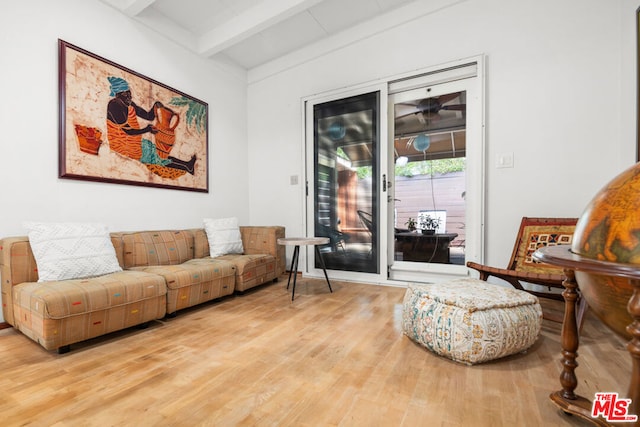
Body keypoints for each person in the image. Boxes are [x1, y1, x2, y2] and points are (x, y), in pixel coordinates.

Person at [105, 76, 196, 174]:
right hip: (123, 145)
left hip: (134, 142)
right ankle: (186, 167)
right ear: (117, 95)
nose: (129, 96)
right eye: (125, 94)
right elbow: (128, 131)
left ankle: (187, 165)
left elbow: (149, 116)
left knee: (158, 153)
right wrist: (147, 130)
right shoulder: (114, 105)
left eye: (129, 93)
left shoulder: (130, 104)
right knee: (157, 158)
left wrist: (155, 106)